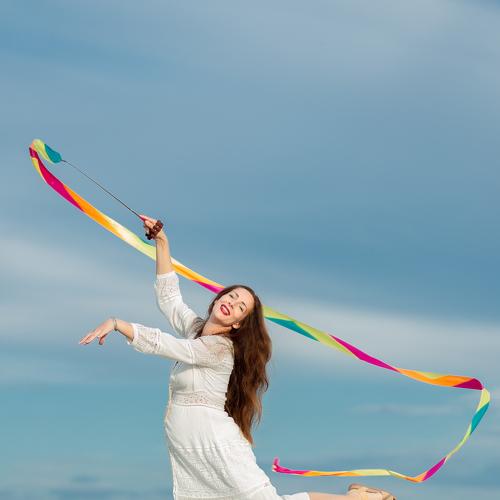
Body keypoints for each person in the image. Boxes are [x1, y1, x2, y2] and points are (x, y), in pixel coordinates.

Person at [79, 215, 396, 500]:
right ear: (218, 298)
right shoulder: (197, 330)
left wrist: (120, 324)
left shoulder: (220, 349)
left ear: (238, 323)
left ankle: (359, 499)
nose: (231, 302)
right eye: (231, 295)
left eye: (240, 306)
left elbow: (173, 347)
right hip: (191, 449)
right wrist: (162, 241)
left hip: (216, 445)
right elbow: (169, 298)